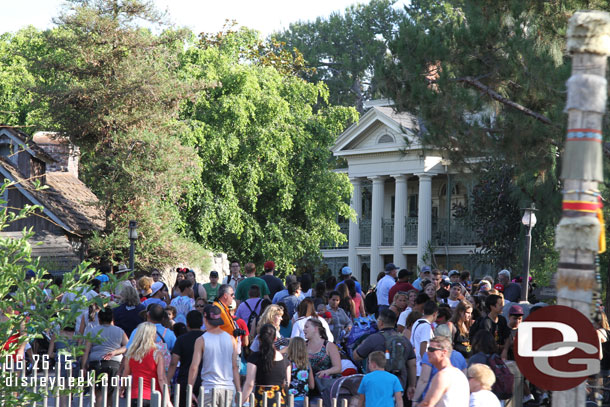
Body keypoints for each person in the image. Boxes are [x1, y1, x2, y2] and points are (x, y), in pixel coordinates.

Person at [353, 309, 416, 400]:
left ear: (381, 322)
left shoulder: (373, 339)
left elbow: (356, 356)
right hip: (398, 384)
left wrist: (361, 344)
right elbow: (412, 365)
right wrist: (411, 385)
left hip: (377, 385)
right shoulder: (404, 340)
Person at [188, 305, 241, 407]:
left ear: (205, 318)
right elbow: (235, 367)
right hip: (228, 388)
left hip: (209, 388)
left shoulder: (201, 340)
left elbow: (194, 367)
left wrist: (190, 390)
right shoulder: (231, 339)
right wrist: (238, 390)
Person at [82, 307, 128, 406]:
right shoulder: (119, 331)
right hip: (114, 364)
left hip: (96, 363)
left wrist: (84, 366)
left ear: (99, 319)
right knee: (110, 394)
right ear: (112, 318)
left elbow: (86, 350)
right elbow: (128, 347)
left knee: (99, 393)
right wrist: (116, 352)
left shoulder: (93, 331)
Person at [413, 325, 467, 404]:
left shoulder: (441, 376)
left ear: (444, 352)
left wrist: (415, 400)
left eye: (431, 349)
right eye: (428, 349)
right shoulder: (460, 357)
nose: (428, 352)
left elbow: (424, 380)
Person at [122, 322, 172, 407]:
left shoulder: (130, 354)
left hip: (135, 396)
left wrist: (121, 388)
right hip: (153, 396)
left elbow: (126, 374)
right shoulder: (157, 354)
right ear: (151, 335)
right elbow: (161, 378)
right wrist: (167, 400)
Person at [242, 323, 290, 407]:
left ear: (259, 338)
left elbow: (250, 383)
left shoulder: (254, 358)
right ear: (275, 339)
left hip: (261, 399)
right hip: (279, 400)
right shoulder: (285, 361)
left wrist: (241, 401)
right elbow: (286, 383)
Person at [168, 310, 204, 407]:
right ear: (202, 323)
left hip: (184, 379)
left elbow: (173, 363)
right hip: (204, 380)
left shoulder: (181, 339)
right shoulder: (207, 338)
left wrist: (168, 381)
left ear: (187, 323)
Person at [411, 301, 437, 377]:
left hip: (416, 366)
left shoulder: (416, 322)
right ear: (435, 314)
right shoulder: (426, 326)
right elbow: (424, 344)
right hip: (422, 368)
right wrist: (425, 363)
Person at [287, 337, 315, 407]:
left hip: (291, 399)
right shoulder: (307, 364)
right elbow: (312, 386)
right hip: (304, 400)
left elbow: (286, 382)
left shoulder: (289, 363)